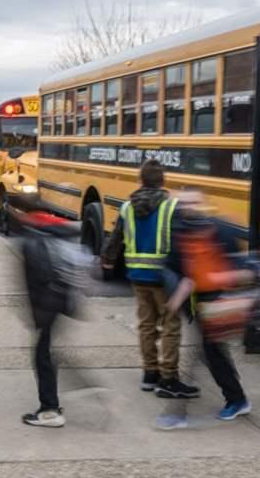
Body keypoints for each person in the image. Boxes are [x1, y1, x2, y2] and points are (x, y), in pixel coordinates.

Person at [102, 160, 199, 399]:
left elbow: (115, 238)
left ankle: (149, 373)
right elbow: (182, 241)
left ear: (141, 180)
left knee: (146, 325)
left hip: (137, 276)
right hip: (164, 278)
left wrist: (107, 260)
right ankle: (169, 378)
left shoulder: (127, 207)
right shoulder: (171, 206)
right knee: (170, 327)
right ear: (162, 180)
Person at [164, 190, 252, 422]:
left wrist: (220, 280)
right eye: (184, 203)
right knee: (211, 353)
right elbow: (182, 271)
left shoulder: (220, 230)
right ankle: (234, 396)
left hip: (217, 302)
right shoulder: (180, 231)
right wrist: (175, 301)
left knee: (210, 352)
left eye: (193, 202)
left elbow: (238, 267)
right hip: (198, 303)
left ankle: (235, 399)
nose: (188, 206)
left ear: (203, 203)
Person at [19, 211, 85, 428]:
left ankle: (49, 410)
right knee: (47, 353)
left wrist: (37, 312)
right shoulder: (56, 236)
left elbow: (40, 277)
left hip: (47, 306)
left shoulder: (34, 240)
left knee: (43, 356)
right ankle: (53, 403)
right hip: (60, 304)